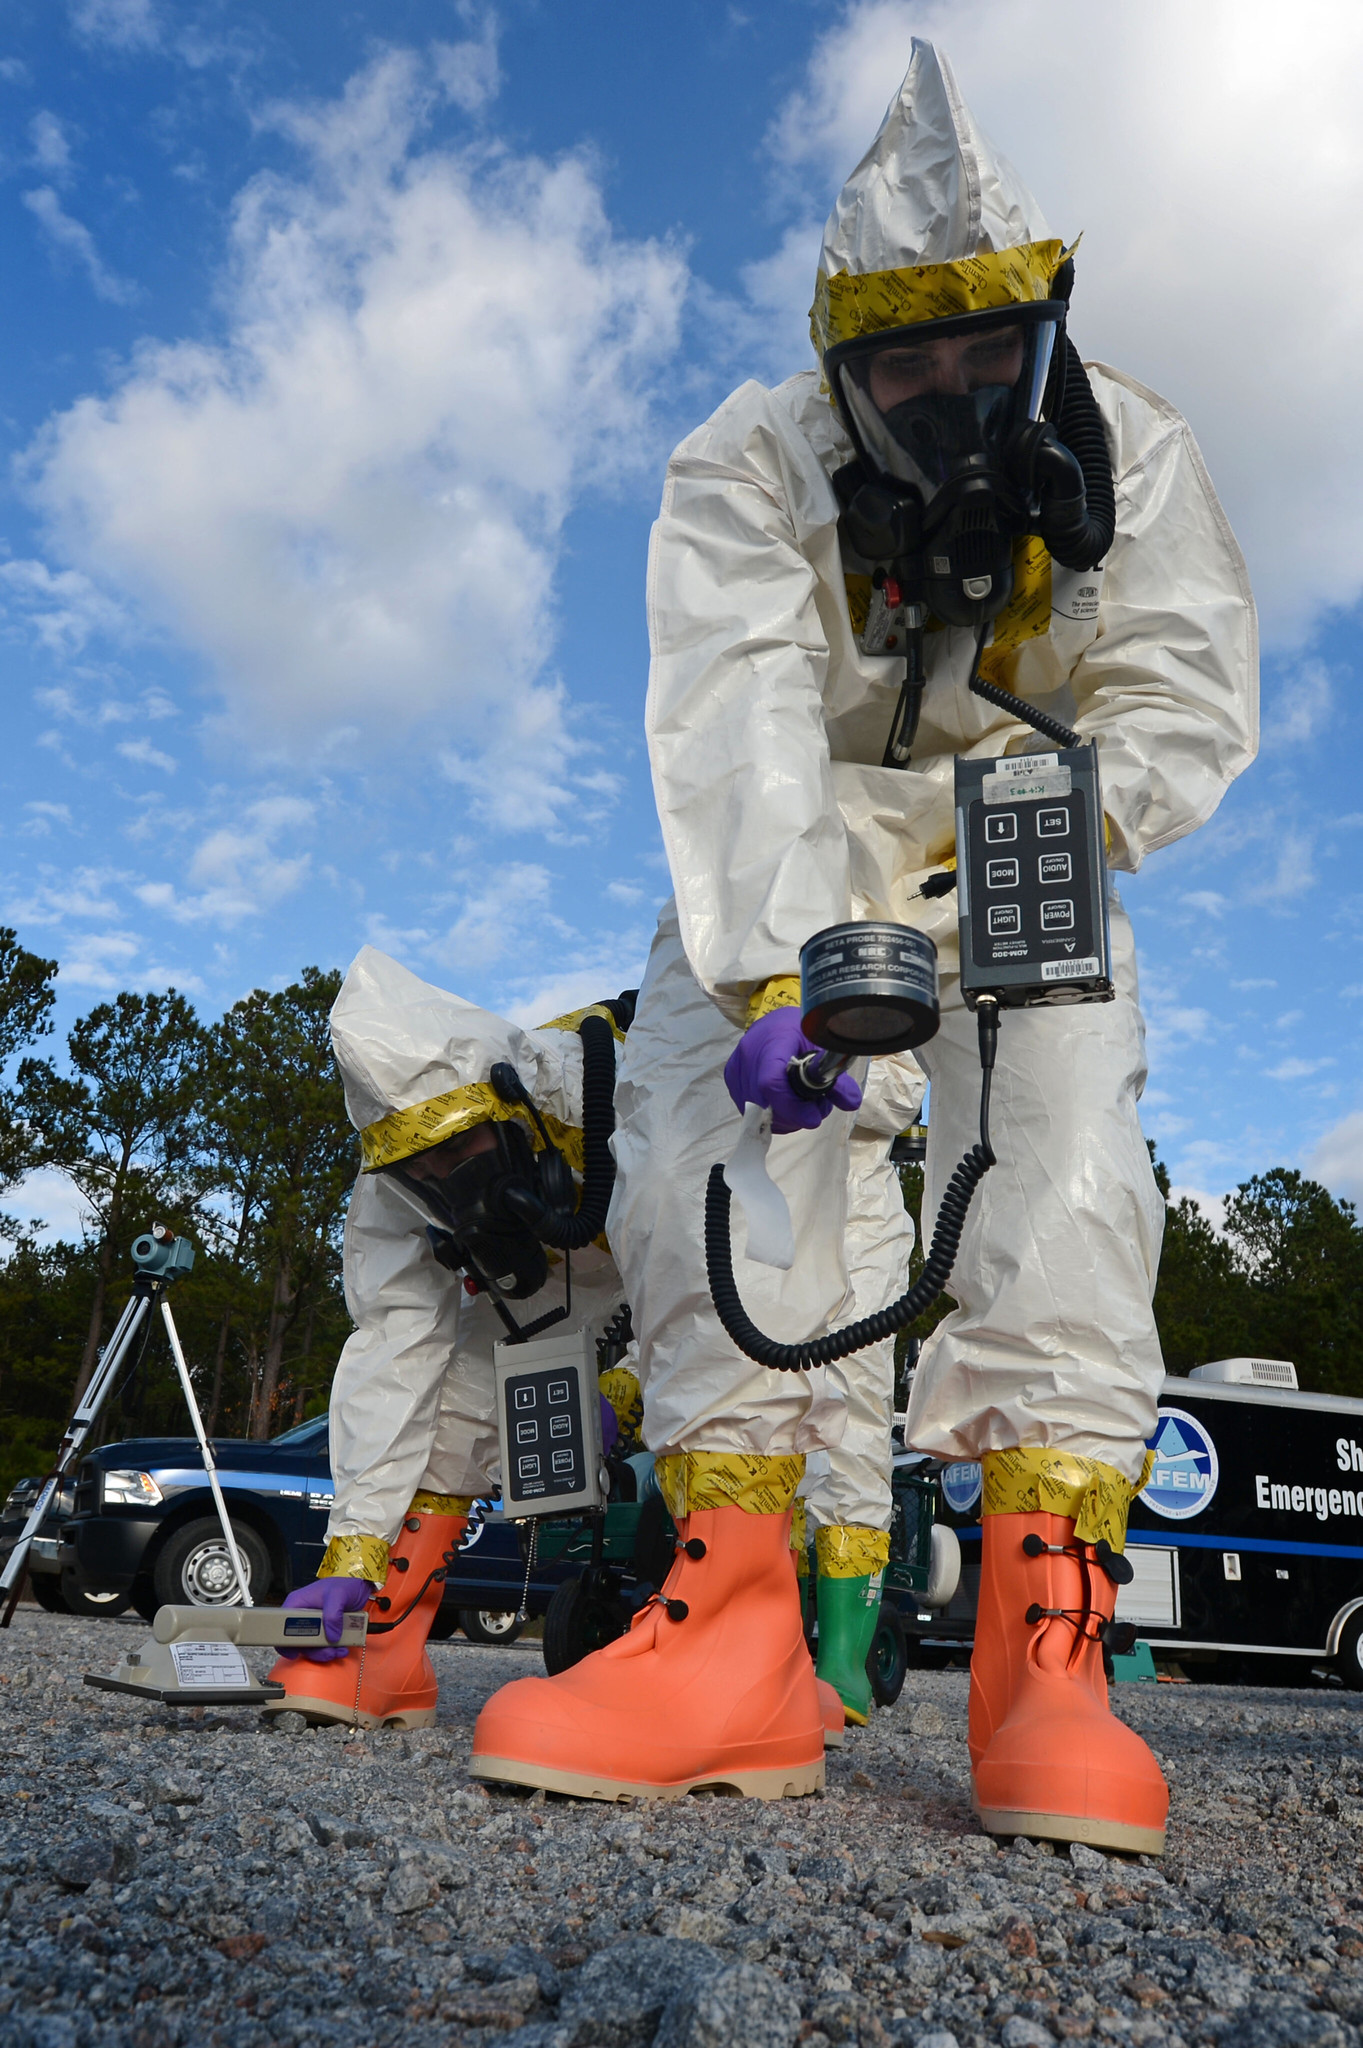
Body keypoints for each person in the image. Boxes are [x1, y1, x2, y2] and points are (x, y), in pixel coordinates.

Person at [471, 43, 1256, 1847]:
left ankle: (1037, 1660)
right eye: (903, 365)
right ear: (842, 364)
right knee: (706, 1143)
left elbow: (1173, 693)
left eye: (986, 360)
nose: (948, 396)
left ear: (1042, 339)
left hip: (1026, 818)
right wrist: (770, 969)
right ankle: (730, 1620)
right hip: (799, 828)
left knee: (1056, 1160)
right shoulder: (748, 460)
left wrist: (1008, 875)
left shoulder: (1133, 449)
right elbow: (734, 706)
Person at [264, 946, 634, 1728]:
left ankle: (738, 1634)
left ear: (506, 1107)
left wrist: (629, 1384)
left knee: (732, 1406)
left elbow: (717, 1281)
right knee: (458, 1399)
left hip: (697, 1256)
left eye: (458, 1152)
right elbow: (394, 1353)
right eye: (421, 1168)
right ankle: (385, 1642)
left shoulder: (623, 1086)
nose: (445, 1183)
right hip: (568, 1269)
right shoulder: (393, 1176)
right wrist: (352, 1550)